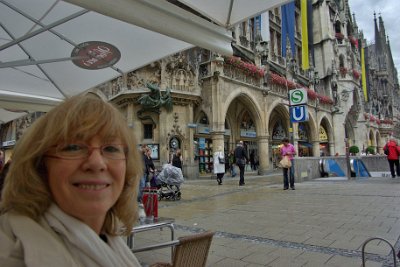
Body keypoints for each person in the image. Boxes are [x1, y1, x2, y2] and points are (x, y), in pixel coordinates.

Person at [0, 94, 142, 266]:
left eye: (111, 148)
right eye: (73, 147)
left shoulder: (112, 243)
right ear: (40, 165)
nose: (97, 163)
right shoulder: (11, 248)